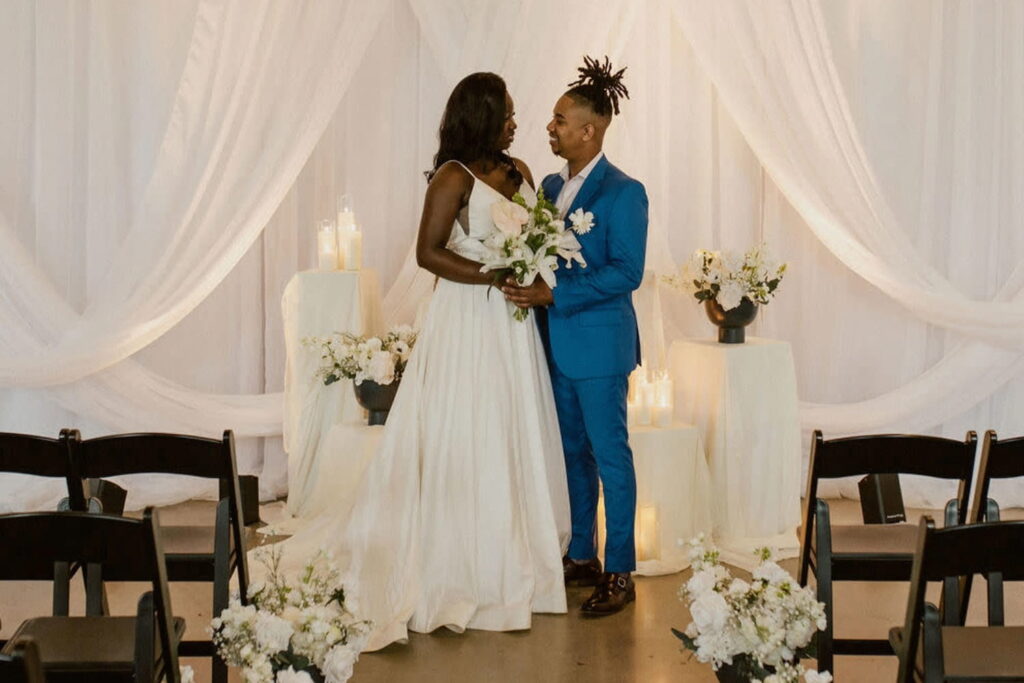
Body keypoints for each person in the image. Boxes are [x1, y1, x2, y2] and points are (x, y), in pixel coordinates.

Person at [265, 72, 570, 650]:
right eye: (506, 112)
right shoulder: (453, 178)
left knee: (510, 424)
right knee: (464, 425)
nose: (515, 122)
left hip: (512, 325)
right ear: (480, 116)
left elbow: (538, 236)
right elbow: (428, 253)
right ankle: (457, 559)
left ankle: (513, 551)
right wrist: (491, 273)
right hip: (465, 319)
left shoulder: (521, 172)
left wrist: (531, 264)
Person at [503, 56, 649, 616]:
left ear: (589, 130)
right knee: (572, 452)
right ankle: (583, 553)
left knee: (611, 456)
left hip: (599, 347)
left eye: (560, 120)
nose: (550, 127)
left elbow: (626, 271)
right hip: (554, 343)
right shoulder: (547, 185)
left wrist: (555, 295)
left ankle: (620, 569)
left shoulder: (624, 191)